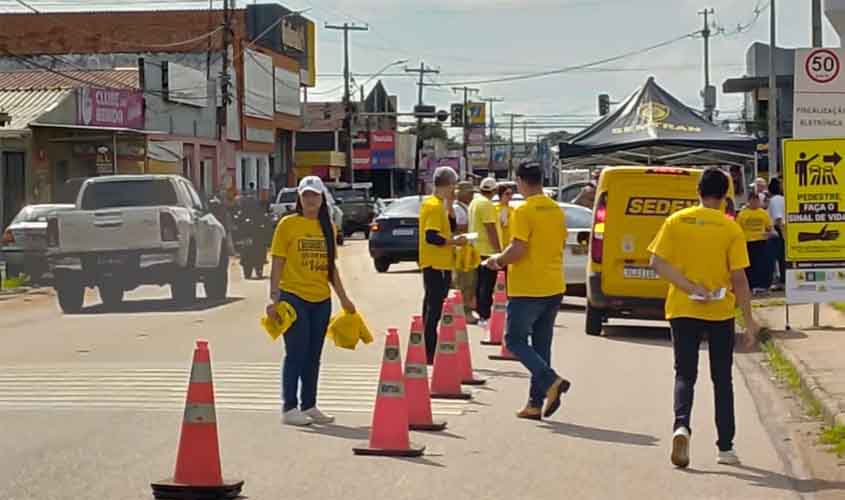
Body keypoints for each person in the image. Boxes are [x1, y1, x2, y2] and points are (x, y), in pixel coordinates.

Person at [648, 167, 760, 469]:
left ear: (697, 191)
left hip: (683, 308)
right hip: (719, 312)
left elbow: (657, 262)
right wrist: (749, 322)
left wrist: (687, 286)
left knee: (685, 374)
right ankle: (725, 447)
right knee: (722, 379)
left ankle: (681, 426)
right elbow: (739, 279)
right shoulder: (730, 229)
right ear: (725, 195)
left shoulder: (676, 221)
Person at [483, 162, 571, 421]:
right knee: (542, 345)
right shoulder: (556, 209)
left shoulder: (524, 211)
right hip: (553, 285)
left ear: (521, 181)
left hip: (528, 286)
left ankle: (550, 380)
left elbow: (518, 249)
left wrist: (497, 261)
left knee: (515, 340)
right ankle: (535, 403)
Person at [266, 176, 356, 426]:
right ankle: (289, 407)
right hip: (293, 296)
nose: (310, 200)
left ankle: (309, 404)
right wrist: (274, 297)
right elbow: (277, 261)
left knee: (314, 355)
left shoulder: (328, 227)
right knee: (295, 352)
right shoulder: (287, 225)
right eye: (305, 195)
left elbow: (331, 268)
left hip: (321, 299)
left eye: (314, 195)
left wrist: (344, 298)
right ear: (299, 198)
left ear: (322, 198)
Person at [419, 167, 466, 364]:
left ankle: (427, 345)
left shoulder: (440, 205)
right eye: (453, 186)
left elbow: (450, 227)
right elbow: (432, 237)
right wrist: (454, 242)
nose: (455, 190)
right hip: (435, 264)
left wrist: (450, 207)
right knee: (434, 307)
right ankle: (428, 349)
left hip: (440, 264)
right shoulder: (433, 205)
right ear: (448, 185)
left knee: (433, 305)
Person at [469, 177, 502, 325]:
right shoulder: (486, 205)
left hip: (476, 249)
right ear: (494, 191)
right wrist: (498, 251)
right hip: (487, 250)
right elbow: (490, 229)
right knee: (487, 285)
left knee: (480, 283)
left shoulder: (475, 202)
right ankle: (485, 314)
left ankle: (479, 311)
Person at [737, 193, 773, 295]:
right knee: (750, 265)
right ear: (749, 201)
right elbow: (738, 229)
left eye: (757, 201)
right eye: (753, 201)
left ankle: (762, 285)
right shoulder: (743, 214)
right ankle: (751, 285)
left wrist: (768, 234)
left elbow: (769, 227)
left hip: (761, 241)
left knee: (762, 264)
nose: (755, 203)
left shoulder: (763, 213)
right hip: (748, 242)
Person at [453, 181, 478, 324]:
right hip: (461, 251)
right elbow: (455, 229)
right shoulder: (457, 209)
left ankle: (467, 308)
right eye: (469, 193)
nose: (471, 196)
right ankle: (464, 311)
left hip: (469, 250)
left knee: (471, 282)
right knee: (465, 282)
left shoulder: (467, 208)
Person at [767, 178, 786, 291]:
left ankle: (781, 281)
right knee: (782, 257)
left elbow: (778, 218)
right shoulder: (783, 199)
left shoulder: (774, 200)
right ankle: (782, 280)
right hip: (783, 229)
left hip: (778, 230)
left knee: (778, 258)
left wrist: (782, 234)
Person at [497, 182, 516, 247]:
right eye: (507, 194)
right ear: (501, 195)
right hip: (502, 244)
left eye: (511, 194)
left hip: (511, 243)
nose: (510, 196)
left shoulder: (512, 209)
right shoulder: (498, 209)